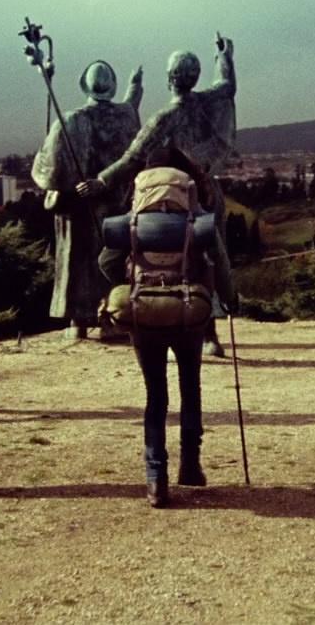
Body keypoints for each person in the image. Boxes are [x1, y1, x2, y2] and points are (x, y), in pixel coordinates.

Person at [77, 35, 236, 356]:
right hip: (207, 193)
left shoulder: (163, 119)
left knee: (150, 259)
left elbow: (132, 159)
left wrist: (101, 182)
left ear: (169, 79)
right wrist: (225, 55)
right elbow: (227, 84)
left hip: (170, 202)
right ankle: (210, 334)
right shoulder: (209, 101)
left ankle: (156, 312)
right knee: (205, 259)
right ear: (194, 77)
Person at [98, 147, 235, 508]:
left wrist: (127, 281)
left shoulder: (133, 219)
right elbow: (219, 261)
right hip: (189, 313)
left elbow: (106, 260)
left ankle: (155, 477)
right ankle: (190, 464)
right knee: (190, 386)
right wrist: (229, 299)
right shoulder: (195, 215)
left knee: (155, 395)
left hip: (144, 314)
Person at [32, 61, 143, 340]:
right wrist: (135, 84)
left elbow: (49, 170)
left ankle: (78, 321)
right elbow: (132, 110)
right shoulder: (126, 117)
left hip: (79, 208)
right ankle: (113, 316)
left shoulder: (71, 120)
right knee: (112, 260)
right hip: (116, 203)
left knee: (79, 262)